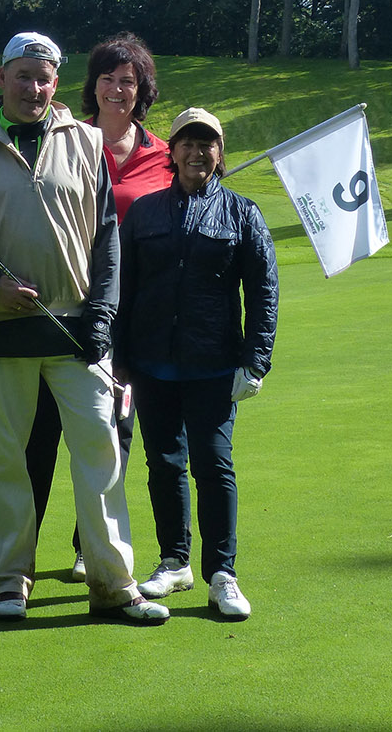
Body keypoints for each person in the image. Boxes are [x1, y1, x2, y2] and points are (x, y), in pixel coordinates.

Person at [0, 31, 169, 626]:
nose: (33, 88)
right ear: (2, 78)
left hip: (77, 329)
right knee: (5, 460)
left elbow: (107, 236)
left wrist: (102, 313)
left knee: (101, 452)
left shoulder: (85, 140)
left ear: (57, 84)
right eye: (23, 76)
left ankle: (114, 584)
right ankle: (11, 581)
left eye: (44, 78)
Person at [116, 107, 278, 619]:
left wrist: (256, 361)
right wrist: (118, 356)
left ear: (219, 153)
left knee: (214, 464)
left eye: (206, 144)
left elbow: (264, 290)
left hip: (214, 364)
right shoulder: (144, 212)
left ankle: (222, 574)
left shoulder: (242, 213)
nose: (196, 152)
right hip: (152, 363)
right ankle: (175, 561)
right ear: (173, 151)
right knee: (164, 464)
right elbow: (123, 287)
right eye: (187, 143)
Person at [25, 33, 172, 582]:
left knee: (112, 436)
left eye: (128, 81)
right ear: (93, 86)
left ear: (142, 90)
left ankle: (91, 546)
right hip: (62, 307)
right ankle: (20, 555)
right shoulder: (64, 142)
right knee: (40, 435)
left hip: (132, 316)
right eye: (107, 78)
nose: (116, 89)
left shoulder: (163, 156)